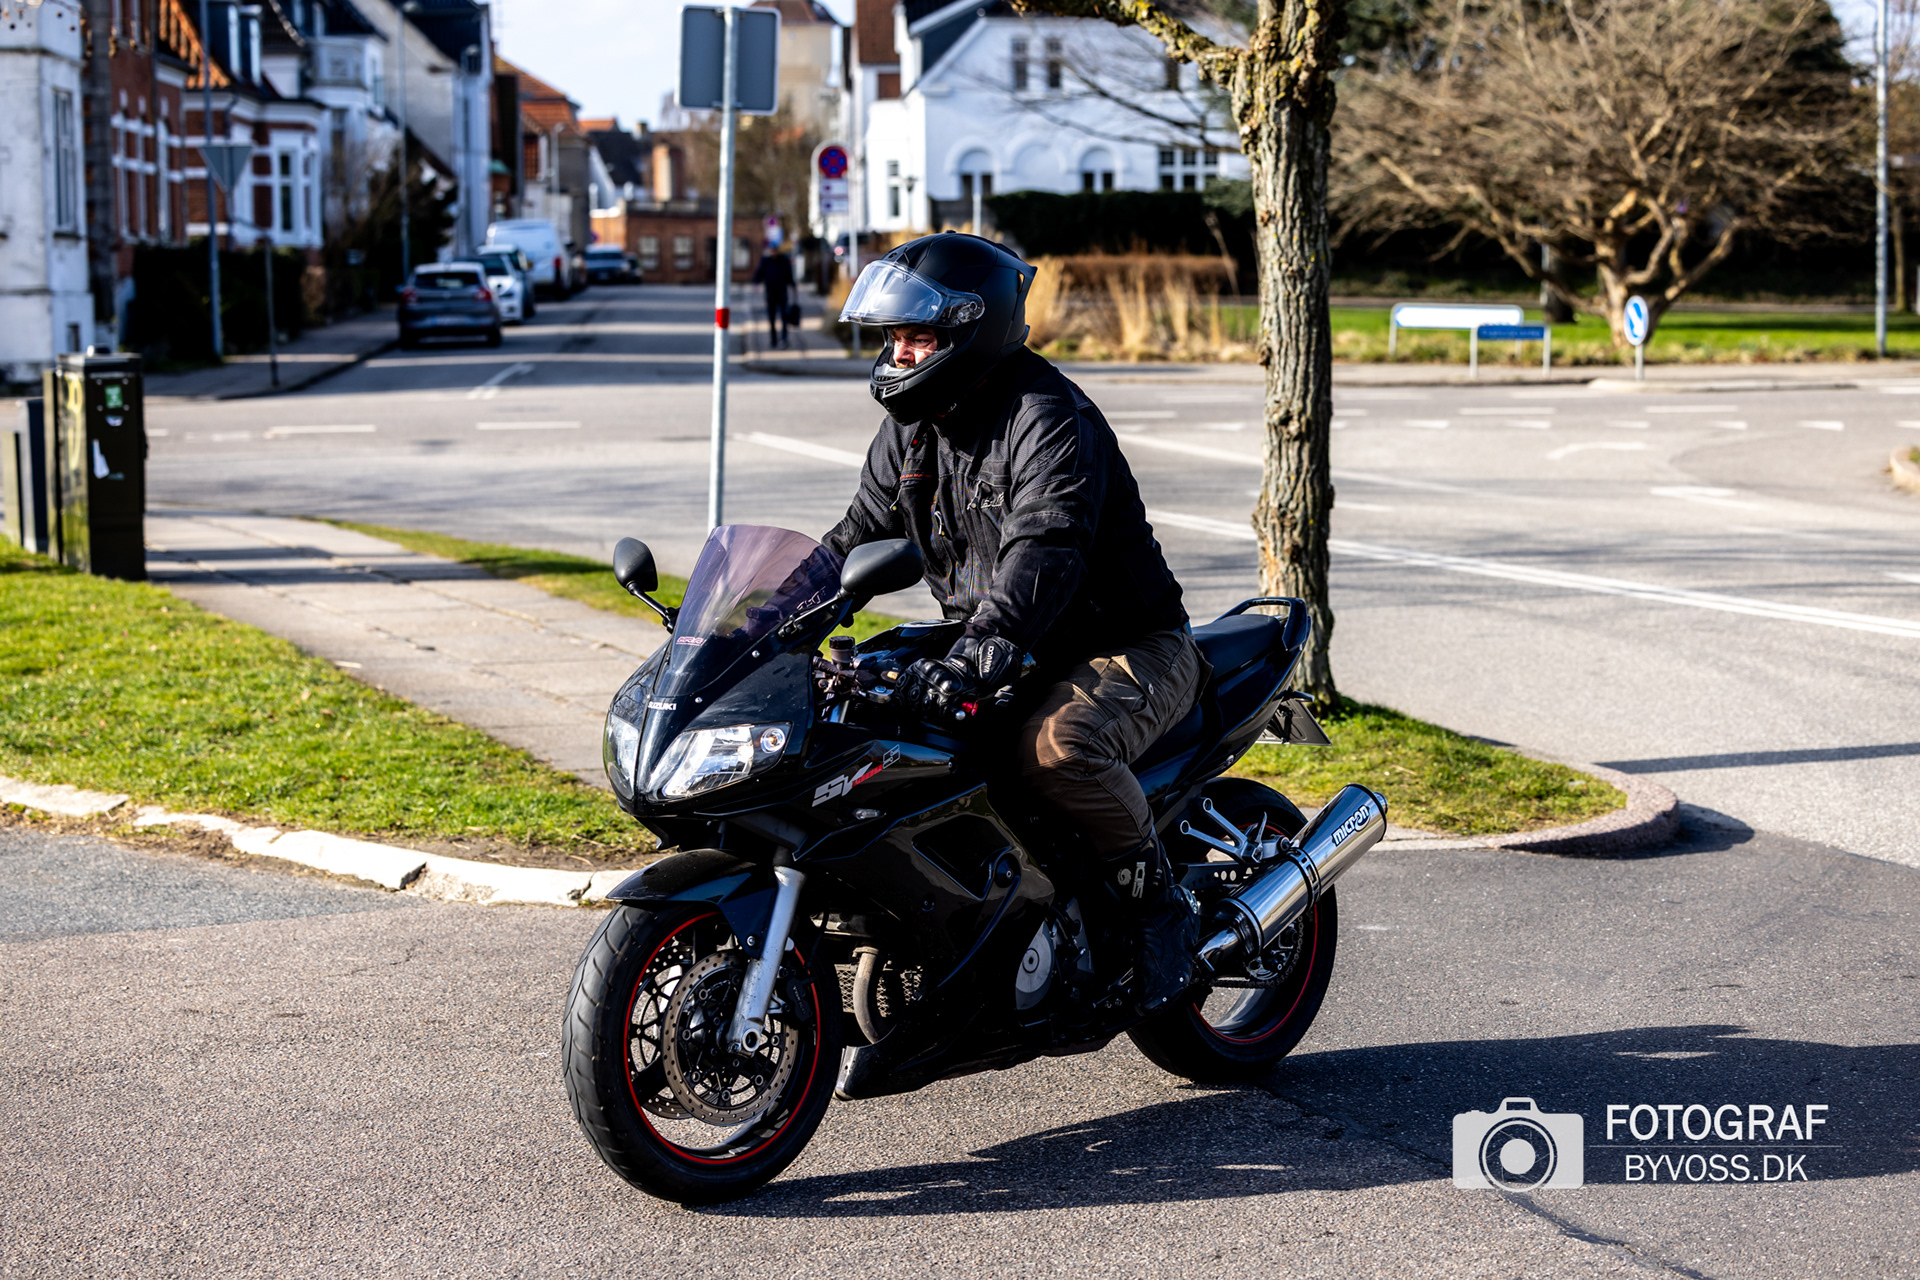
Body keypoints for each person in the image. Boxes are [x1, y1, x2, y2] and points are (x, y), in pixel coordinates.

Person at [825, 233, 1207, 1013]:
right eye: (893, 338)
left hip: (1122, 644)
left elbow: (1046, 547)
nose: (899, 354)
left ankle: (1158, 913)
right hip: (999, 642)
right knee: (860, 725)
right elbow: (851, 539)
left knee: (1058, 752)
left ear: (973, 331)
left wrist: (980, 652)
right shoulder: (913, 428)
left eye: (917, 337)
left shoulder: (1047, 417)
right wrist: (758, 619)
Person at [751, 246, 795, 349]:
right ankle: (773, 340)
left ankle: (784, 339)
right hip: (770, 293)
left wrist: (793, 286)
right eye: (772, 251)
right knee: (771, 317)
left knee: (784, 316)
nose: (773, 253)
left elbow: (789, 275)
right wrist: (756, 282)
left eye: (775, 251)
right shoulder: (766, 261)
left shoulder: (783, 261)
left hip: (782, 293)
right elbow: (759, 273)